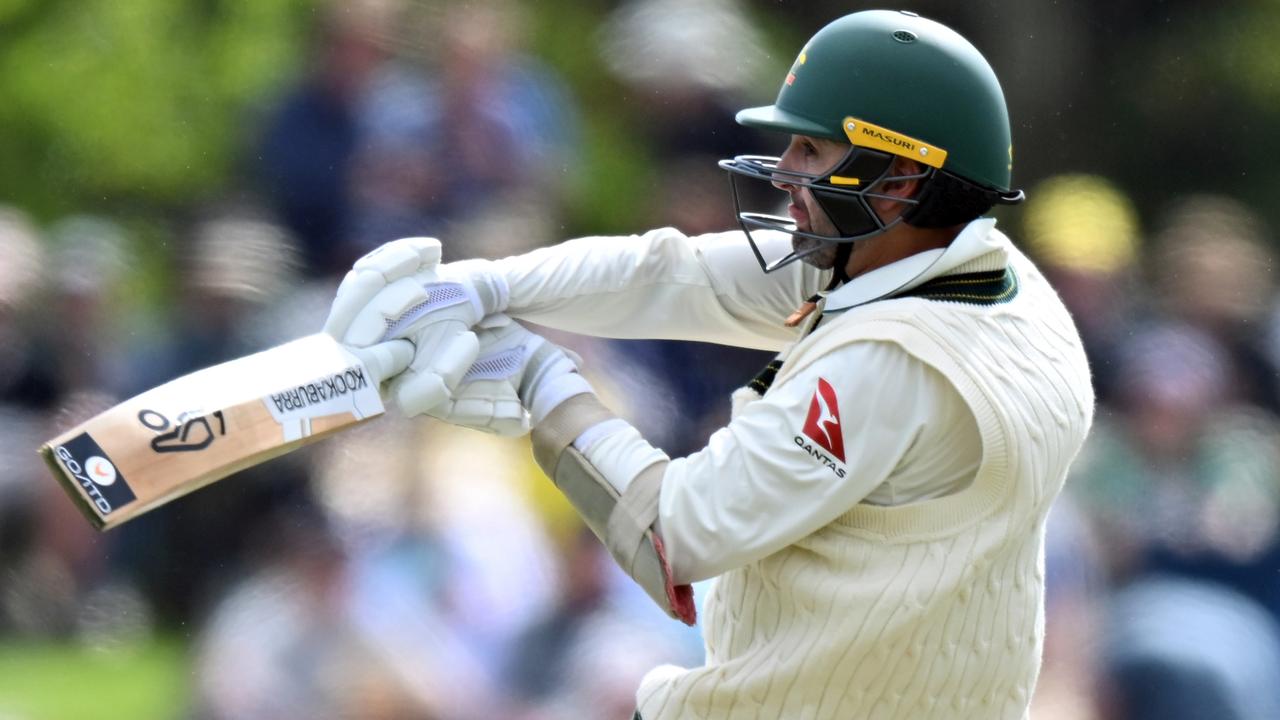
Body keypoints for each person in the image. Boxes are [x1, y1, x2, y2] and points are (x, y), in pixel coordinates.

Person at [323, 10, 1094, 719]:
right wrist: (487, 284)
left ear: (898, 181)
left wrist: (541, 382)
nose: (786, 172)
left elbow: (676, 535)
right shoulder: (994, 284)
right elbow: (676, 275)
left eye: (812, 149)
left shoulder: (895, 364)